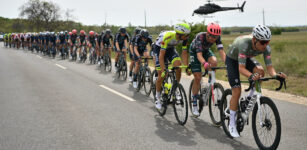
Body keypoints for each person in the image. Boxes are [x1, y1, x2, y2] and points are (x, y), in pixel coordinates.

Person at [225, 25, 287, 138]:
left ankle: (249, 98)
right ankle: (232, 123)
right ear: (254, 40)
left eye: (268, 42)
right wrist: (251, 76)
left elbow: (270, 68)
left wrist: (276, 75)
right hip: (232, 60)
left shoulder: (266, 48)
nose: (265, 45)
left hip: (246, 57)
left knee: (260, 71)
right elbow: (241, 68)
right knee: (237, 91)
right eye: (263, 42)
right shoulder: (244, 44)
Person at [189, 22, 226, 116]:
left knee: (214, 61)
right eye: (212, 37)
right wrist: (204, 63)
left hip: (205, 51)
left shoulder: (217, 38)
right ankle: (194, 103)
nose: (214, 39)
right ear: (207, 33)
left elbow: (221, 52)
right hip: (195, 52)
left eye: (216, 37)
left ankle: (210, 83)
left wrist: (227, 63)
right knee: (198, 77)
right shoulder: (200, 37)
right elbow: (199, 55)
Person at [153, 23, 191, 110]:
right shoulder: (167, 37)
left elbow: (184, 53)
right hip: (159, 49)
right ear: (179, 34)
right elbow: (161, 55)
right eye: (186, 35)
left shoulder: (185, 38)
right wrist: (163, 70)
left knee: (178, 66)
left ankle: (176, 87)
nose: (187, 36)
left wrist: (186, 67)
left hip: (170, 49)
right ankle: (158, 97)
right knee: (161, 74)